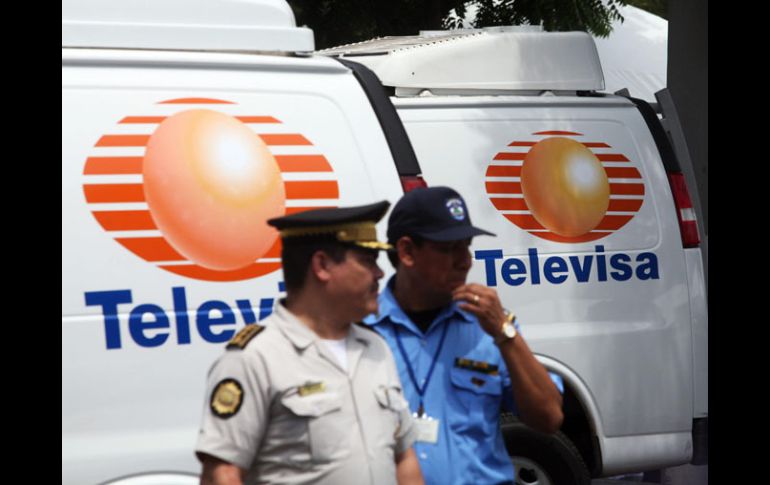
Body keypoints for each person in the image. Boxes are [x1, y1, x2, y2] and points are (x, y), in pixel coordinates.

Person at [195, 201, 424, 485]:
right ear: (322, 265)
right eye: (367, 260)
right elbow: (222, 473)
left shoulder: (375, 348)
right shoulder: (255, 357)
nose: (379, 273)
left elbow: (404, 457)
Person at [364, 187, 564, 485]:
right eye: (448, 249)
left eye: (466, 246)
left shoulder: (490, 326)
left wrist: (505, 335)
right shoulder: (362, 329)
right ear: (406, 252)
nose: (465, 261)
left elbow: (548, 418)